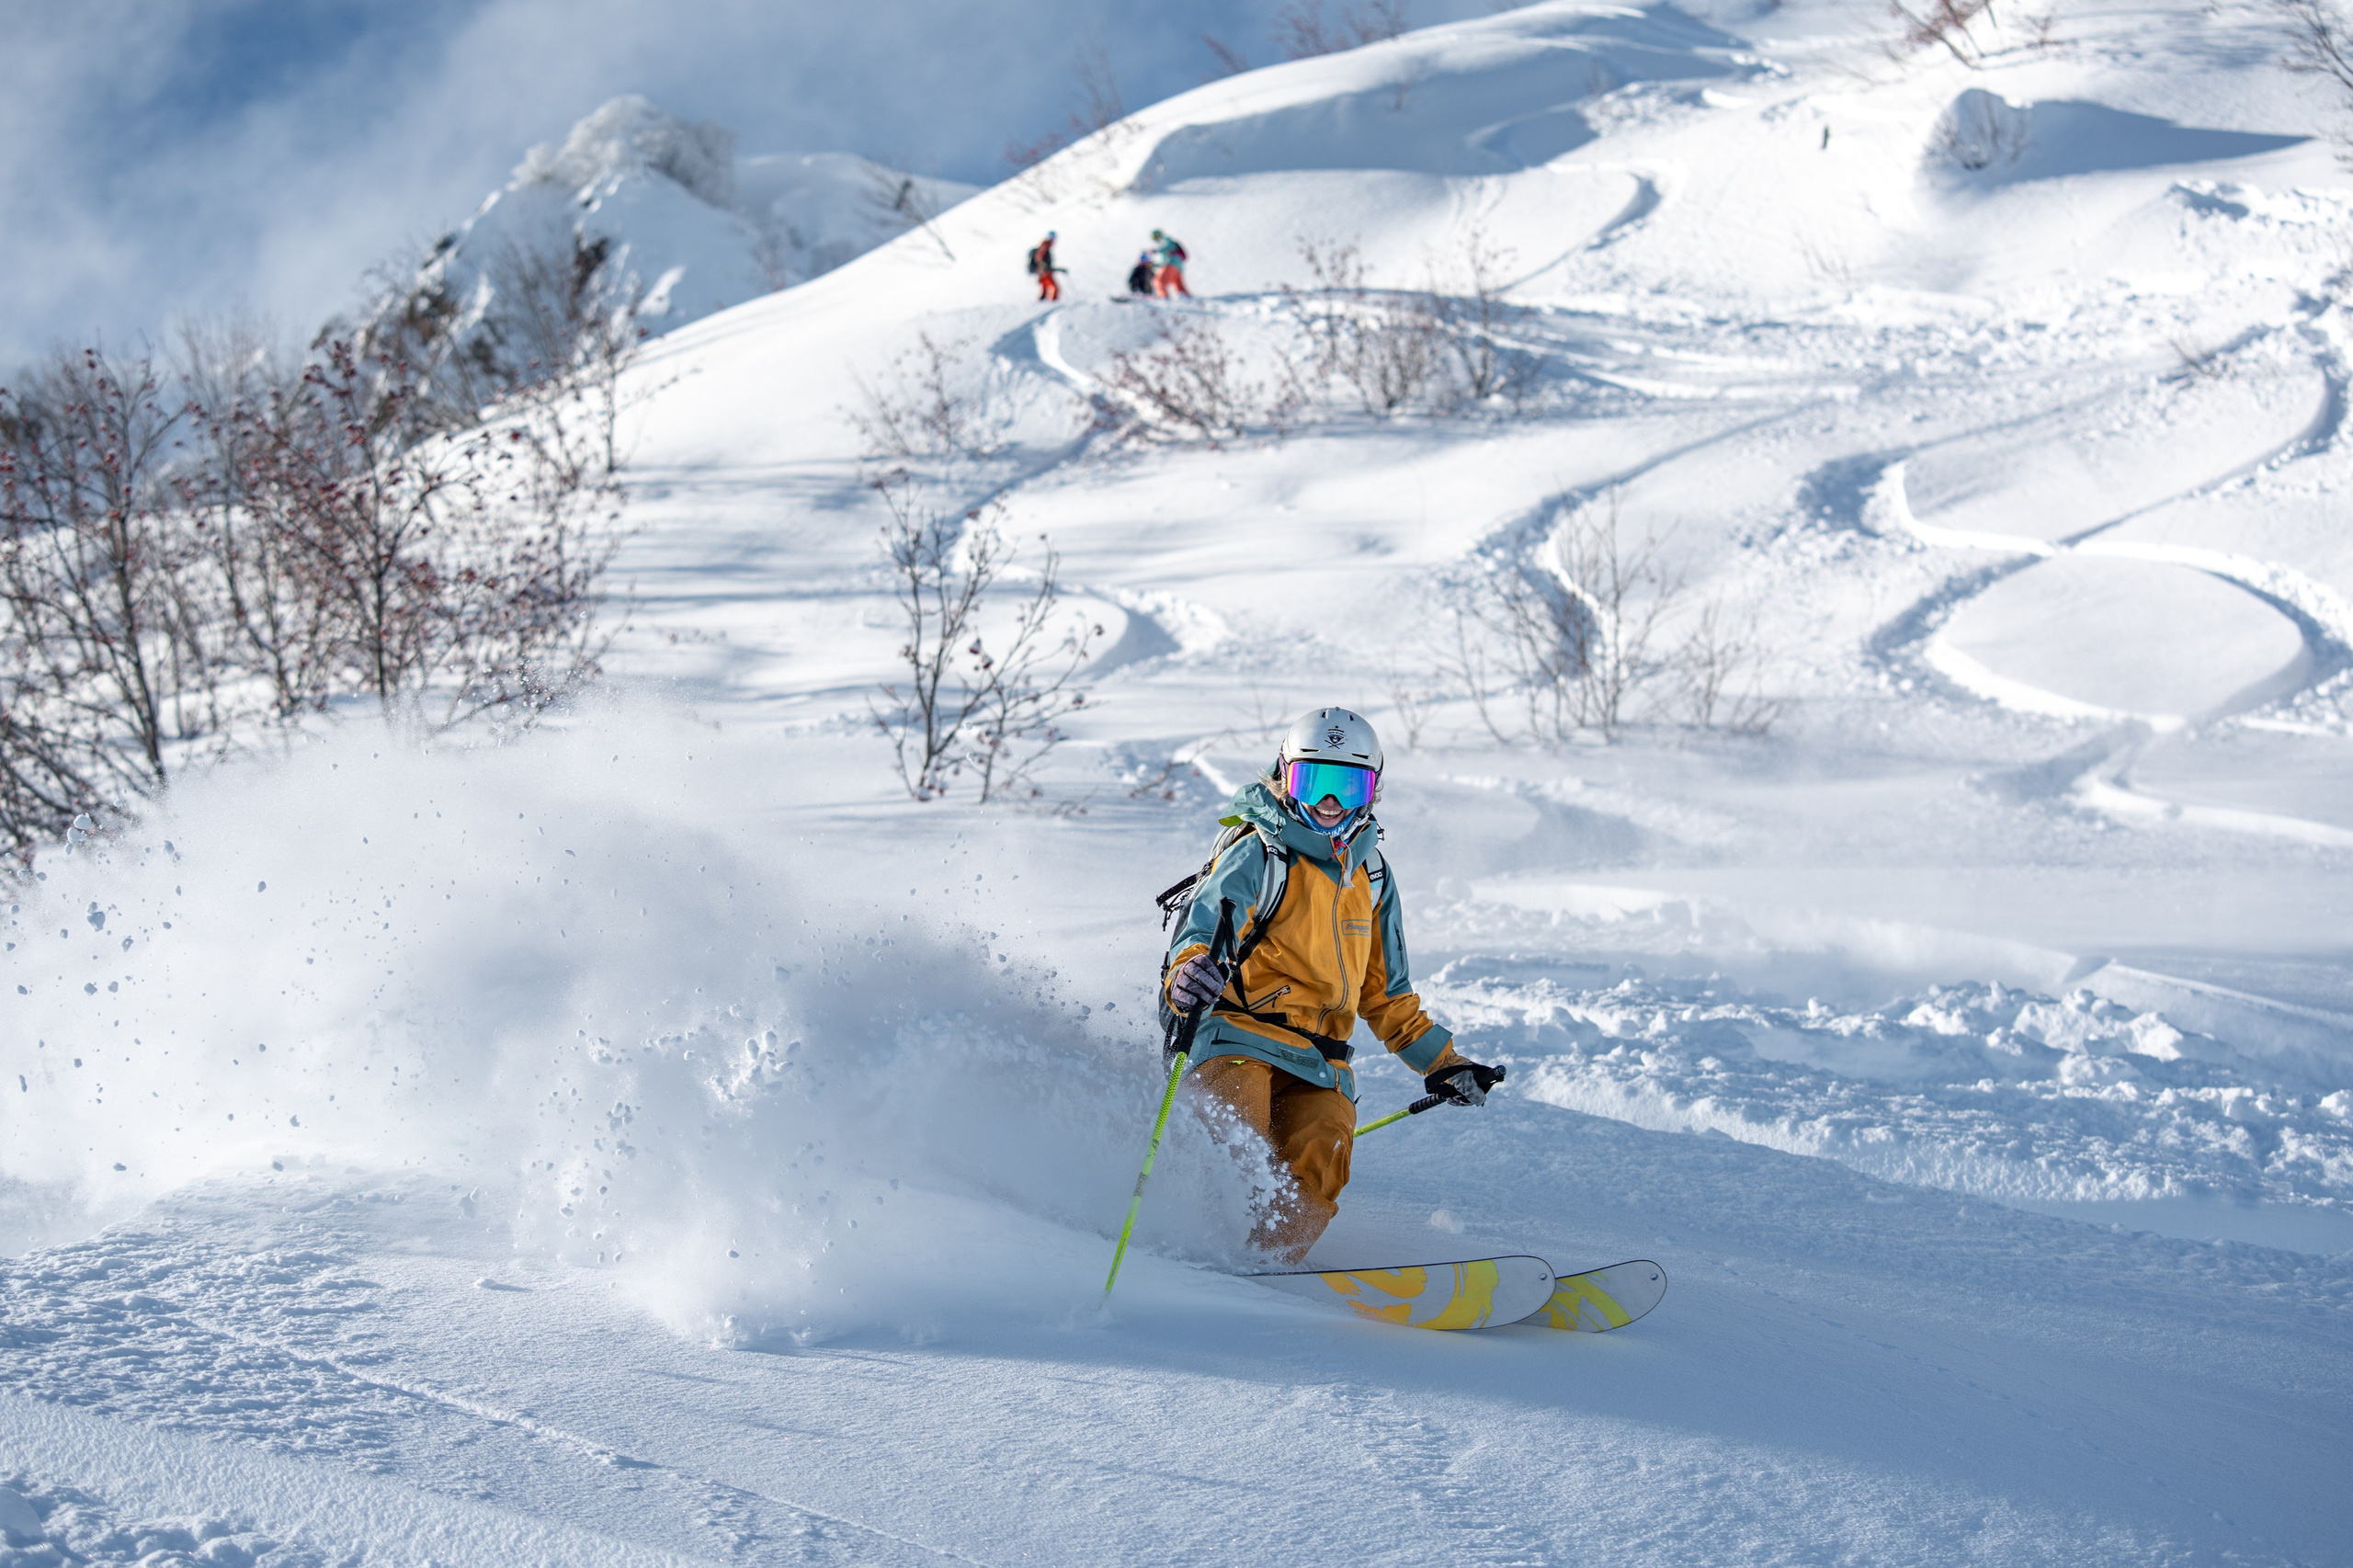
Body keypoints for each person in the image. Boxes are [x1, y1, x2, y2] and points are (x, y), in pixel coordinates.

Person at [1161, 708, 1502, 1260]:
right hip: (1235, 1037)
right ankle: (1203, 1257)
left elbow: (1386, 994)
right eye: (1314, 782)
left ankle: (1263, 1267)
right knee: (1241, 1151)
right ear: (1285, 777)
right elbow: (1203, 929)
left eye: (1347, 786)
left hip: (1319, 1062)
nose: (1328, 803)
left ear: (1373, 791)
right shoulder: (1259, 851)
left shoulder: (1371, 875)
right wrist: (1189, 973)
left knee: (1322, 1156)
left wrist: (1445, 1063)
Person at [1149, 229, 1191, 298]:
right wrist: (1155, 265)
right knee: (1179, 287)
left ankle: (1163, 297)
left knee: (1159, 281)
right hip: (1177, 267)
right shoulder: (1164, 242)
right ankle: (1188, 299)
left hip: (1171, 265)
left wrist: (1156, 251)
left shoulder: (1165, 240)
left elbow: (1168, 248)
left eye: (1155, 236)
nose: (1155, 239)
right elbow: (1164, 259)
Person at [1028, 232, 1062, 301]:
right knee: (1054, 287)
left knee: (1045, 287)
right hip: (1044, 272)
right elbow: (1039, 258)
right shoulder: (1045, 246)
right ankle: (1053, 302)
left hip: (1042, 272)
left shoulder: (1045, 245)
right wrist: (1044, 267)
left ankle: (1042, 302)